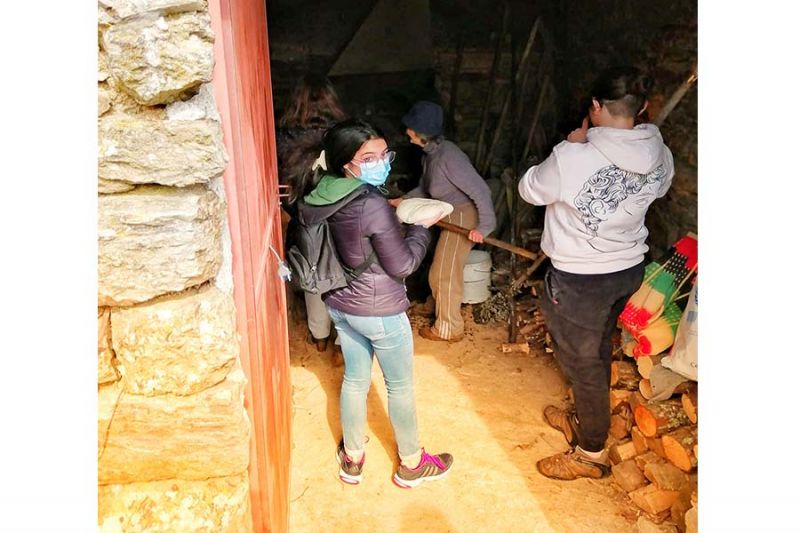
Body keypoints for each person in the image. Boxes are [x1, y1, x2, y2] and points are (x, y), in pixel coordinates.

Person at [517, 66, 674, 480]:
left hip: (580, 278)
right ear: (642, 106)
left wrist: (568, 146)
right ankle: (587, 420)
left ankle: (591, 452)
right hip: (628, 267)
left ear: (595, 106)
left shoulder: (572, 157)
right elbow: (660, 189)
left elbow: (529, 189)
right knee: (598, 347)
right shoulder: (658, 148)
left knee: (583, 361)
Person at [296, 118, 454, 488]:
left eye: (384, 155)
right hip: (380, 310)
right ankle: (412, 464)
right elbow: (403, 265)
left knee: (355, 378)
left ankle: (352, 458)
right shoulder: (369, 204)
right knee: (399, 387)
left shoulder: (321, 191)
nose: (380, 163)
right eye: (369, 158)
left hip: (341, 304)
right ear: (345, 162)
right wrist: (419, 228)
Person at [390, 101, 496, 342]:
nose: (406, 132)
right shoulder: (430, 154)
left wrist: (484, 227)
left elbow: (481, 190)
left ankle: (449, 328)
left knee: (443, 272)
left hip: (463, 215)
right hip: (445, 211)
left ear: (420, 132)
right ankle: (438, 306)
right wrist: (403, 199)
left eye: (410, 128)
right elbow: (425, 188)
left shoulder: (450, 157)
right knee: (438, 264)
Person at [276, 74, 346, 354]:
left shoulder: (282, 137)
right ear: (332, 101)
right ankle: (343, 341)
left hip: (305, 216)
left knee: (313, 271)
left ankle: (319, 336)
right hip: (342, 212)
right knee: (345, 273)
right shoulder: (344, 136)